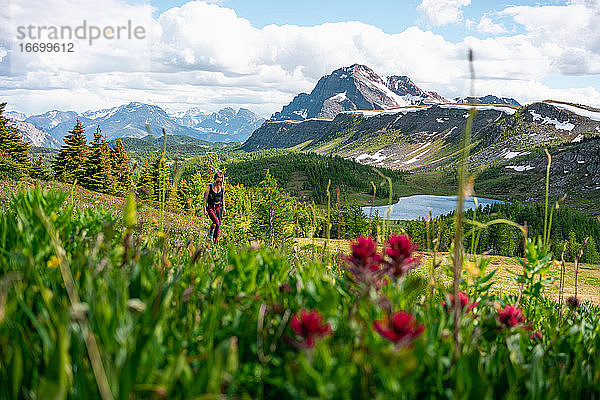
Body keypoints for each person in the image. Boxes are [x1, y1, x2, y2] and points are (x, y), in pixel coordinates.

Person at [203, 171, 225, 243]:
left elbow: (223, 198)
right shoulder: (209, 187)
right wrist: (204, 209)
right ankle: (214, 242)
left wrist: (224, 207)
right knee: (217, 223)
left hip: (218, 206)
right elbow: (205, 199)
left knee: (219, 223)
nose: (219, 183)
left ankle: (211, 230)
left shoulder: (222, 188)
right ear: (214, 179)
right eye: (217, 181)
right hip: (210, 207)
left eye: (220, 181)